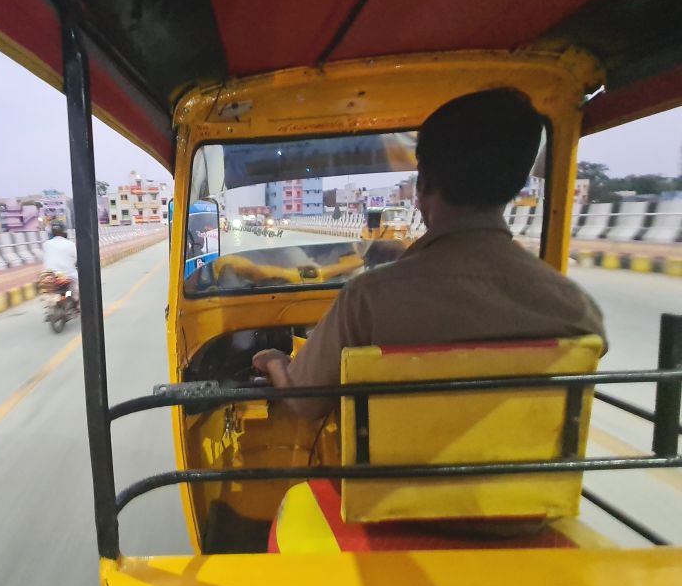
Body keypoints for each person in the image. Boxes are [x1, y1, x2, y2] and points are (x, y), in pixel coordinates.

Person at [253, 87, 606, 419]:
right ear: (515, 185)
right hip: (527, 486)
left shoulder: (369, 300)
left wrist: (272, 361)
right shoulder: (576, 309)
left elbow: (304, 402)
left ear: (423, 184)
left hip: (391, 486)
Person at [42, 220, 78, 303]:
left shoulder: (46, 244)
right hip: (67, 275)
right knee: (75, 289)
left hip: (50, 275)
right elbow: (75, 258)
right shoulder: (70, 244)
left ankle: (52, 301)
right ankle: (76, 303)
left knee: (46, 289)